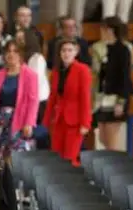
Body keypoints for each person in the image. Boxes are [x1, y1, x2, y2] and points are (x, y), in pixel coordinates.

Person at [0, 40, 39, 159]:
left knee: (17, 157)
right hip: (1, 122)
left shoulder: (30, 75)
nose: (11, 54)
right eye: (8, 51)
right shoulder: (0, 74)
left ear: (21, 54)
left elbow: (33, 102)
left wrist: (29, 123)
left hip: (20, 120)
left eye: (15, 51)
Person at [43, 38, 92, 166]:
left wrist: (85, 123)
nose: (66, 53)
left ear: (76, 52)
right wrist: (47, 121)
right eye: (64, 50)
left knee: (70, 158)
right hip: (58, 121)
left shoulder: (83, 70)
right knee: (56, 159)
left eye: (70, 50)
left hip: (75, 122)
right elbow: (53, 98)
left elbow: (85, 98)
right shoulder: (55, 72)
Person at [94, 17, 132, 152]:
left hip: (115, 98)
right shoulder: (101, 48)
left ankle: (117, 168)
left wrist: (121, 102)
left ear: (110, 29)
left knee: (111, 141)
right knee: (102, 138)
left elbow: (124, 77)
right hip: (102, 98)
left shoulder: (123, 50)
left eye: (103, 29)